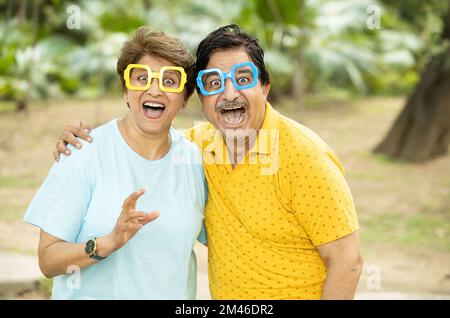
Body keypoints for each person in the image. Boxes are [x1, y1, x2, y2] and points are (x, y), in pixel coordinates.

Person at [53, 25, 363, 300]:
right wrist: (82, 139)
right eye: (214, 83)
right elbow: (148, 134)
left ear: (264, 88)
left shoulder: (304, 156)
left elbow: (347, 261)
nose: (229, 93)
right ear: (201, 98)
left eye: (243, 78)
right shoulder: (197, 147)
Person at [23, 27, 207, 299]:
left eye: (170, 81)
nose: (154, 90)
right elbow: (48, 261)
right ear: (126, 91)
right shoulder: (83, 152)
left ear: (184, 98)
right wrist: (106, 243)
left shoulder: (196, 162)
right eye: (141, 78)